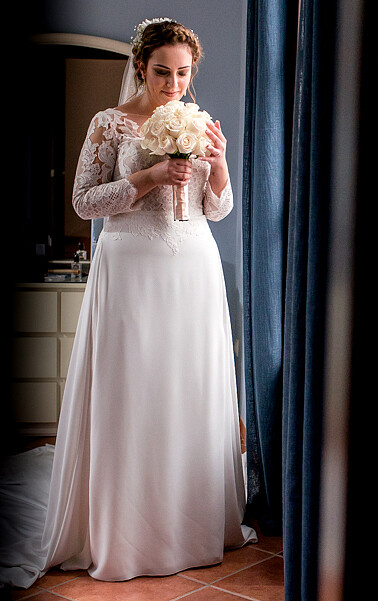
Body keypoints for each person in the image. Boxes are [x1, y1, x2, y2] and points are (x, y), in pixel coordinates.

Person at [0, 18, 256, 588]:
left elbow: (220, 209)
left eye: (183, 74)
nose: (173, 85)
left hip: (192, 266)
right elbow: (85, 202)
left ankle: (190, 523)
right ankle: (127, 530)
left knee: (186, 388)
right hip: (131, 268)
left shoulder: (199, 119)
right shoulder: (108, 124)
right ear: (142, 66)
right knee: (133, 386)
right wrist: (149, 177)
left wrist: (217, 169)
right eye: (162, 72)